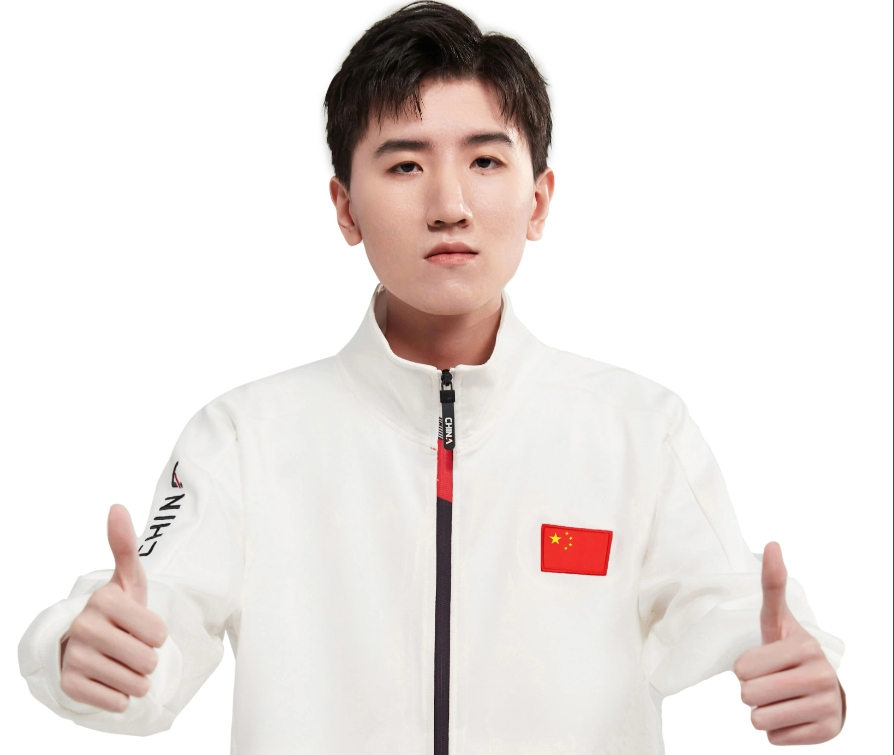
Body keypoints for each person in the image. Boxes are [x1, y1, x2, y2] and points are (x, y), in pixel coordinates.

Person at [19, 2, 845, 752]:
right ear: (346, 207)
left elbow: (730, 607)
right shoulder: (245, 437)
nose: (449, 203)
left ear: (538, 199)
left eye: (485, 160)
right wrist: (80, 650)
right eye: (405, 166)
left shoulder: (637, 427)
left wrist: (803, 671)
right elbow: (151, 625)